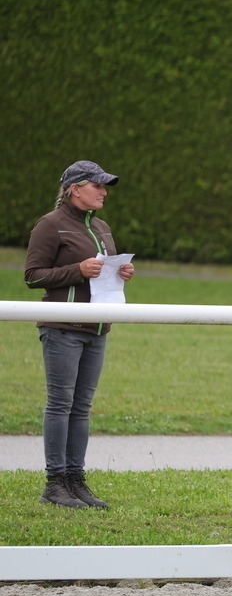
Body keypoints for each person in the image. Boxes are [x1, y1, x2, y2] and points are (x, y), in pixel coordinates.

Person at [24, 160, 134, 509]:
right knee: (60, 404)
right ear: (75, 188)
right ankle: (54, 485)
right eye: (98, 186)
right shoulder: (50, 224)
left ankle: (76, 481)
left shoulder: (101, 226)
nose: (104, 192)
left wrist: (121, 272)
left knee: (82, 408)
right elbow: (33, 276)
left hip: (97, 328)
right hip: (61, 329)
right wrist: (78, 270)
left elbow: (99, 277)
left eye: (105, 187)